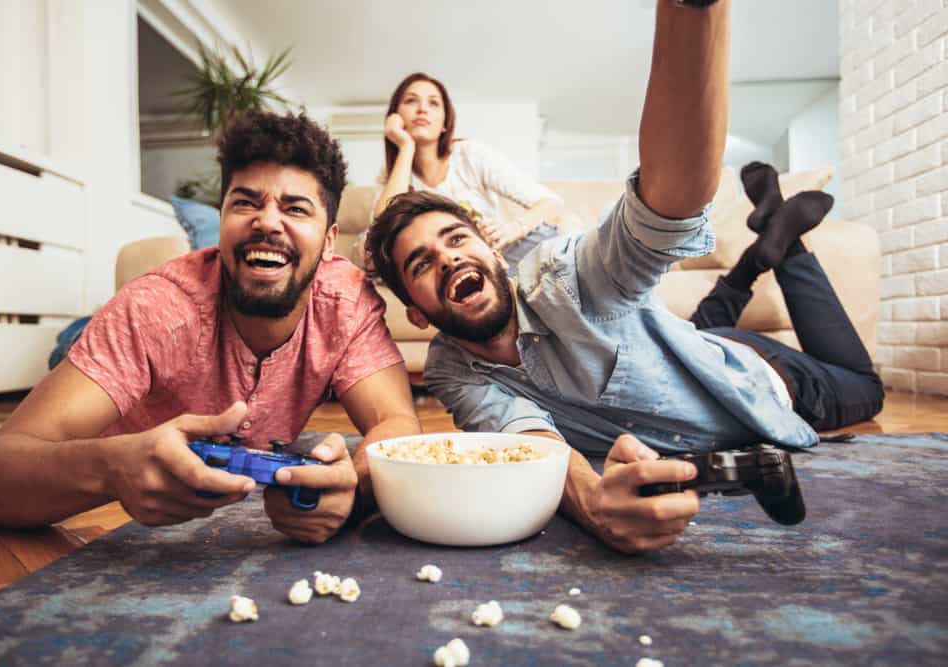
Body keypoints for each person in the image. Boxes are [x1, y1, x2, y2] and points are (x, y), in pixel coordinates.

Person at [365, 0, 883, 554]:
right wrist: (593, 503)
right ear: (416, 313)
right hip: (693, 348)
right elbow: (531, 445)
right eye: (421, 263)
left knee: (865, 388)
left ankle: (787, 250)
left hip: (768, 379)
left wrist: (694, 12)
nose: (446, 258)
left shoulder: (563, 277)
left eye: (458, 238)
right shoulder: (450, 367)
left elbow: (663, 212)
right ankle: (761, 253)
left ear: (496, 254)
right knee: (691, 329)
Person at [0, 111, 420, 544]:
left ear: (330, 240)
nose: (267, 221)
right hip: (108, 416)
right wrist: (114, 467)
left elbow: (396, 422)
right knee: (75, 351)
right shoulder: (156, 307)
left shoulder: (347, 301)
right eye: (245, 202)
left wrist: (350, 488)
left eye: (296, 209)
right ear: (221, 220)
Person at [369, 71, 564, 274]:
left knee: (550, 238)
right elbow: (383, 232)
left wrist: (510, 230)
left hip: (495, 255)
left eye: (433, 103)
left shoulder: (470, 155)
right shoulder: (394, 174)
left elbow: (551, 202)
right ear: (395, 117)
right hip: (443, 265)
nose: (422, 109)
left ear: (445, 123)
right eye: (411, 101)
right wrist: (406, 147)